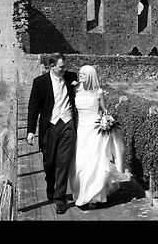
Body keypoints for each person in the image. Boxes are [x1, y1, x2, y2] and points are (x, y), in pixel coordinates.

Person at [68, 64, 127, 208]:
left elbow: (104, 110)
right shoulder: (75, 89)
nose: (80, 75)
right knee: (80, 164)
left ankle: (93, 197)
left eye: (83, 73)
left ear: (90, 76)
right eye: (79, 73)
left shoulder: (98, 92)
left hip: (95, 131)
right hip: (81, 131)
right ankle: (82, 193)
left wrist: (107, 121)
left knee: (95, 163)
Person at [26, 53, 78, 215]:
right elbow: (33, 108)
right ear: (52, 66)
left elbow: (87, 83)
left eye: (64, 66)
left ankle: (60, 198)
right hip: (49, 127)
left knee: (63, 162)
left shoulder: (71, 77)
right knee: (49, 163)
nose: (64, 69)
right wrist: (30, 131)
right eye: (61, 67)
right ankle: (50, 184)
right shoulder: (39, 83)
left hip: (68, 125)